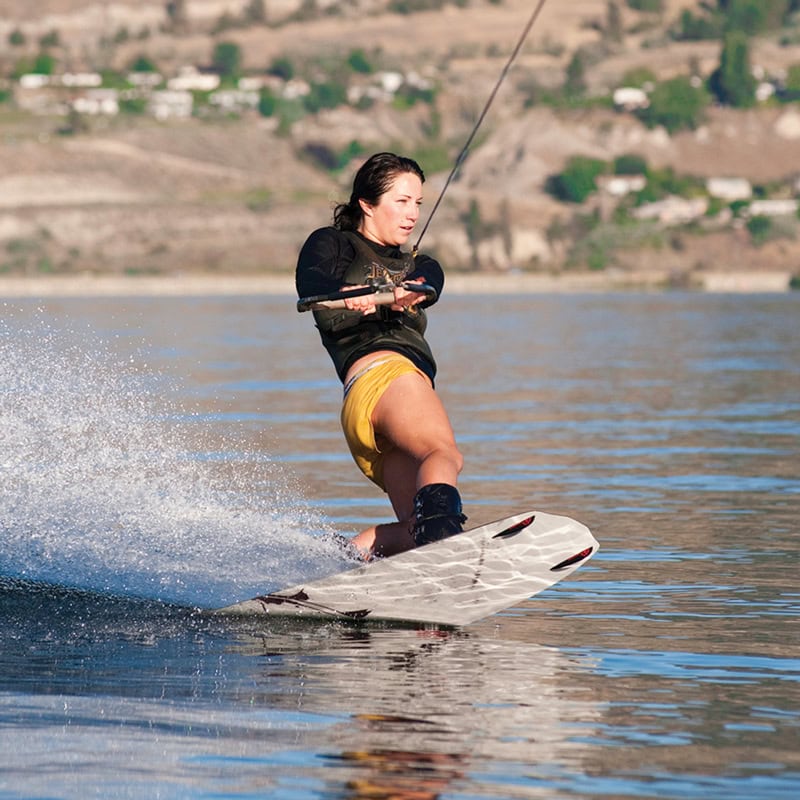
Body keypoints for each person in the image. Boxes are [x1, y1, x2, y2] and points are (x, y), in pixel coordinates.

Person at [295, 152, 466, 559]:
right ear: (367, 204)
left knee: (413, 531)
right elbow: (313, 283)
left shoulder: (416, 263)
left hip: (367, 411)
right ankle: (446, 548)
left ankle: (341, 558)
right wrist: (350, 296)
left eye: (418, 204)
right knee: (442, 454)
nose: (412, 214)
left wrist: (415, 288)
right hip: (385, 377)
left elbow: (431, 280)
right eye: (401, 201)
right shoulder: (333, 243)